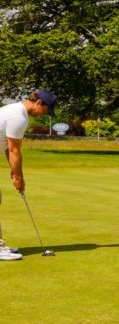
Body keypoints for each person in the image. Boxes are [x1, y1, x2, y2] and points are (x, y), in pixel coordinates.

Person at [0, 89, 57, 261]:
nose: (42, 115)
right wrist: (19, 177)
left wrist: (13, 171)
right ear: (39, 103)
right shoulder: (18, 117)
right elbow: (14, 149)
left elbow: (6, 147)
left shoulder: (12, 110)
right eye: (45, 111)